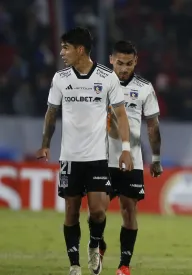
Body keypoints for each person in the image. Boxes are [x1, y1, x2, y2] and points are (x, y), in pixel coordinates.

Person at [35, 27, 133, 275]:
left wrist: (125, 148)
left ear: (80, 50)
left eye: (65, 47)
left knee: (98, 211)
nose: (61, 52)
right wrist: (46, 143)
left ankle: (93, 245)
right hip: (69, 157)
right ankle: (75, 265)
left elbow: (121, 114)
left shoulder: (106, 77)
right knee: (71, 211)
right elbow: (51, 113)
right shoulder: (60, 78)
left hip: (98, 157)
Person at [103, 40, 162, 275]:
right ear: (111, 60)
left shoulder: (145, 88)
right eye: (120, 63)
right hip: (101, 157)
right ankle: (98, 241)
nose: (124, 68)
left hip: (132, 160)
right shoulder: (99, 84)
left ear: (135, 61)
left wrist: (156, 158)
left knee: (129, 210)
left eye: (129, 64)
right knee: (97, 211)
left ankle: (124, 265)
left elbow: (153, 126)